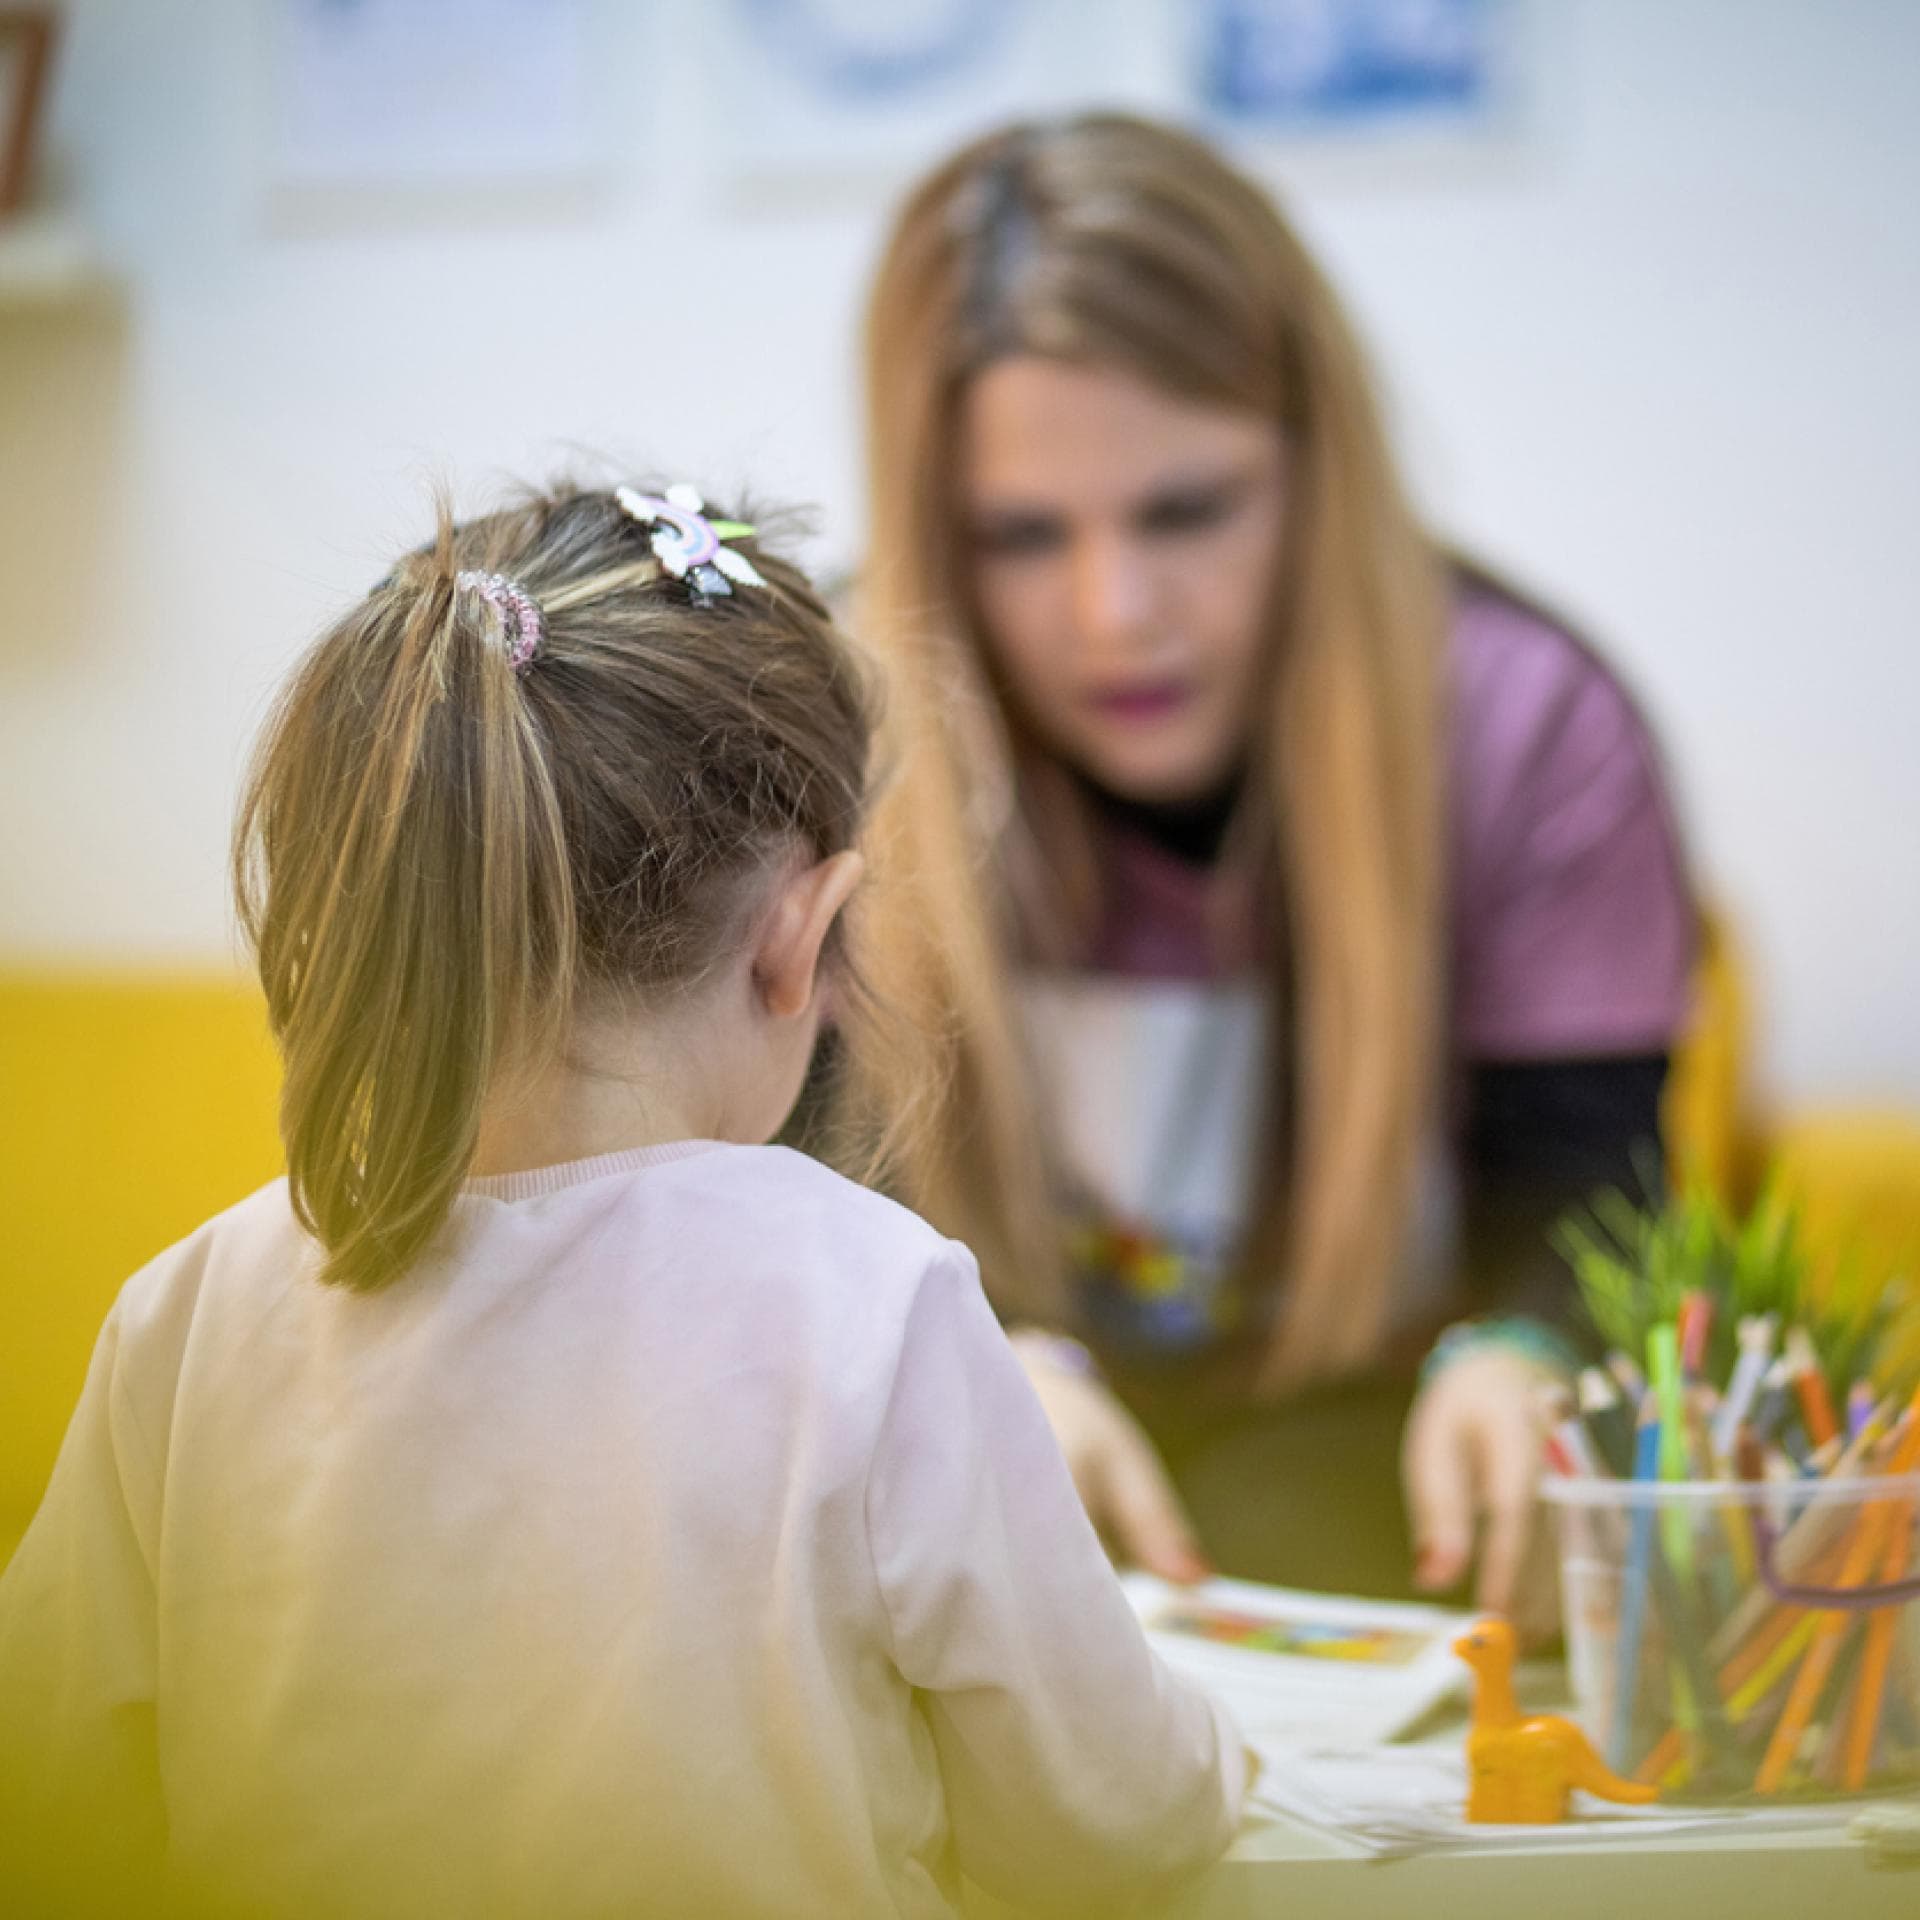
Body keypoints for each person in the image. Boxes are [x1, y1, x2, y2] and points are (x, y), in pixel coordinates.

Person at [0, 480, 1247, 1919]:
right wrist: (1217, 1746)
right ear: (803, 940)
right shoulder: (875, 1302)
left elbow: (48, 1809)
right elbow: (1105, 1832)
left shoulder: (190, 1313)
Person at [838, 114, 1696, 1626]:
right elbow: (777, 1203)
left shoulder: (1524, 723)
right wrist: (985, 1372)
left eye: (1188, 510)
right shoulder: (836, 727)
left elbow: (1588, 1189)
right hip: (966, 1465)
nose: (1117, 615)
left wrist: (1520, 1353)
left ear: (1317, 464)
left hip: (1371, 1469)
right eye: (1023, 536)